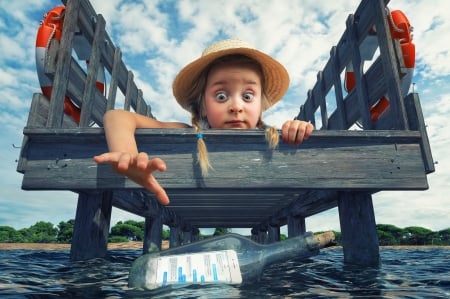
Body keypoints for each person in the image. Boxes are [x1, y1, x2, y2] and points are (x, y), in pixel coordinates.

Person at [94, 39, 313, 206]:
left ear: (260, 105)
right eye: (221, 96)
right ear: (203, 107)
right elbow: (116, 116)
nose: (236, 106)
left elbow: (303, 140)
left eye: (247, 96)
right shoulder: (187, 132)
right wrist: (127, 153)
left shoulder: (273, 135)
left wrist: (297, 128)